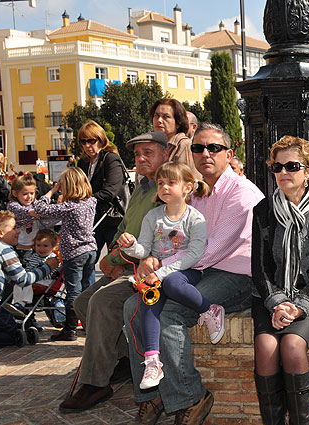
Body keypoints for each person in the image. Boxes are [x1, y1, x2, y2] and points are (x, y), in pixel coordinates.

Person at [123, 122, 264, 425]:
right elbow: (172, 237)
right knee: (133, 308)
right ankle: (153, 395)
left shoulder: (242, 193)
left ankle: (191, 396)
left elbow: (209, 249)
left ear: (229, 153)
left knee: (168, 313)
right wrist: (149, 260)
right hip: (196, 272)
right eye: (198, 147)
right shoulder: (195, 190)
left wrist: (159, 270)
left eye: (214, 147)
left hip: (236, 276)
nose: (205, 153)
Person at [58, 132, 169, 414]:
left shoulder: (166, 188)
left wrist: (117, 258)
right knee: (81, 302)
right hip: (126, 262)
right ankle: (119, 359)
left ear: (165, 155)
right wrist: (109, 258)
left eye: (149, 152)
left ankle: (96, 383)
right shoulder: (142, 188)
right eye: (137, 154)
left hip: (148, 269)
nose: (141, 158)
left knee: (101, 302)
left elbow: (155, 239)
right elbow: (123, 230)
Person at [252, 136, 309, 425]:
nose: (283, 173)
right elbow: (261, 268)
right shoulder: (263, 211)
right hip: (272, 296)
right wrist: (278, 304)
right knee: (266, 348)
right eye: (277, 167)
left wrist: (299, 306)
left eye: (292, 165)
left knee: (291, 345)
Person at [118, 162, 224, 391]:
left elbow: (194, 255)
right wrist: (130, 245)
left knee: (174, 283)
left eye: (171, 182)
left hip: (187, 272)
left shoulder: (195, 218)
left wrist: (160, 273)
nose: (164, 187)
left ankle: (209, 310)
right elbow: (143, 249)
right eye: (161, 183)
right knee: (150, 299)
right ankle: (152, 361)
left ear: (187, 187)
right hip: (158, 274)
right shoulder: (152, 216)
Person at [34, 167, 96, 341]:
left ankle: (70, 329)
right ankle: (89, 323)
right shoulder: (91, 201)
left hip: (74, 253)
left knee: (73, 291)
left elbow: (40, 208)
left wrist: (52, 190)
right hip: (90, 249)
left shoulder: (69, 207)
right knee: (87, 288)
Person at [0, 211, 59, 347]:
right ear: (0, 233)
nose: (18, 231)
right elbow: (23, 279)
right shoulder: (3, 249)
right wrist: (48, 267)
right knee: (10, 328)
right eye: (14, 228)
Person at [76, 120, 129, 262]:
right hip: (91, 219)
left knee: (115, 262)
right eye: (83, 141)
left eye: (91, 141)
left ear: (100, 140)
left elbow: (110, 192)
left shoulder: (110, 159)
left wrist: (84, 200)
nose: (87, 145)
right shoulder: (83, 162)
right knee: (87, 261)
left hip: (113, 219)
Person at [9, 229, 60, 321]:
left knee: (28, 282)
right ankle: (17, 304)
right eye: (38, 245)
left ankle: (22, 303)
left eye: (45, 246)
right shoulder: (34, 256)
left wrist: (35, 274)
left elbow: (52, 274)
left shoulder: (53, 258)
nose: (41, 248)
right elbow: (29, 267)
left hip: (44, 282)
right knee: (19, 281)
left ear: (53, 246)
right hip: (34, 279)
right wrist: (26, 272)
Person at [150, 98, 202, 180]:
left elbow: (192, 182)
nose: (159, 120)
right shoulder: (153, 145)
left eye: (166, 117)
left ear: (178, 123)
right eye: (156, 116)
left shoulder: (184, 145)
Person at [7, 174, 40, 255]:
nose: (29, 197)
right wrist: (32, 212)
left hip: (35, 246)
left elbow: (43, 208)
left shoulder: (35, 204)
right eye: (25, 194)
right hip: (20, 247)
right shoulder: (12, 205)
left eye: (32, 193)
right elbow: (21, 211)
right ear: (15, 193)